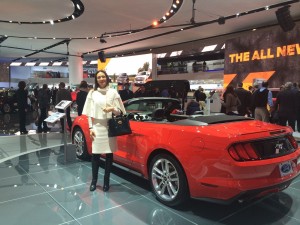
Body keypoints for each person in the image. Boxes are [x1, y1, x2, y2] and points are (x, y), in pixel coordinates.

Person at [82, 70, 126, 192]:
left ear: (106, 78)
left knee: (109, 155)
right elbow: (89, 113)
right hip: (97, 127)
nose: (101, 79)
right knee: (95, 155)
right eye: (99, 77)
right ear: (96, 79)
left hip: (110, 127)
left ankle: (106, 181)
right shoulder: (92, 93)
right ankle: (94, 181)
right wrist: (90, 128)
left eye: (103, 77)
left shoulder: (113, 92)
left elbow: (121, 111)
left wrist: (112, 108)